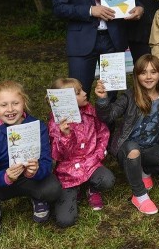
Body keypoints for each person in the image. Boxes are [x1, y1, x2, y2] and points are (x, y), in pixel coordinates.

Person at [95, 54, 159, 215]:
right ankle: (139, 195)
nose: (148, 77)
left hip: (149, 148)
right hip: (127, 148)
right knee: (133, 149)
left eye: (153, 72)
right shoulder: (129, 96)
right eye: (143, 72)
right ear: (136, 76)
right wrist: (103, 100)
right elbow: (108, 116)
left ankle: (143, 169)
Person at [0, 81, 62, 238]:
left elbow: (46, 162)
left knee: (53, 188)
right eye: (3, 105)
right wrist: (5, 177)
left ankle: (37, 198)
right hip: (1, 181)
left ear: (24, 103)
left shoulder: (37, 126)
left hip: (29, 179)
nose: (10, 109)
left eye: (15, 103)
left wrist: (36, 171)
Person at [47, 78, 114, 227]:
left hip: (90, 164)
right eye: (79, 93)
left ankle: (92, 189)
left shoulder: (91, 113)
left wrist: (98, 154)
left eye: (82, 89)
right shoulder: (55, 123)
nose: (85, 93)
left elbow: (102, 133)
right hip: (68, 173)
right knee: (65, 220)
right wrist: (65, 136)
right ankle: (74, 191)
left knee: (108, 179)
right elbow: (57, 154)